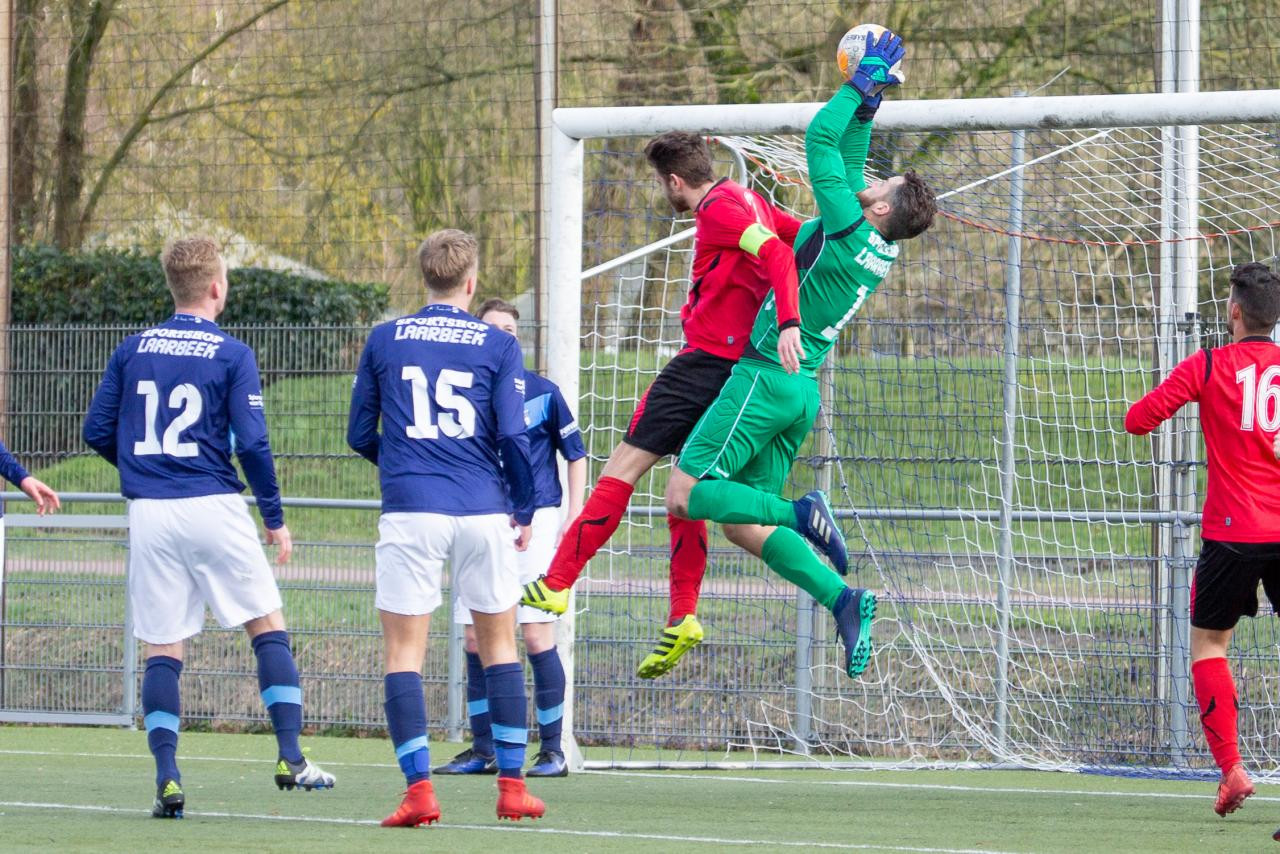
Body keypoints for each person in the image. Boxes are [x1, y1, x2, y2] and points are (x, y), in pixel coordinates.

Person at [662, 30, 937, 680]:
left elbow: (821, 143)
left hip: (762, 379)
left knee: (685, 495)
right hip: (798, 393)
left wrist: (854, 88)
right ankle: (843, 598)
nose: (871, 179)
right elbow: (846, 159)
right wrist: (868, 109)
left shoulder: (847, 227)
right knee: (740, 524)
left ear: (882, 206)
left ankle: (801, 511)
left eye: (883, 182)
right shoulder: (877, 245)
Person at [522, 129, 805, 680]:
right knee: (687, 487)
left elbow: (774, 253)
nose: (664, 192)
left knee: (621, 469)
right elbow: (799, 239)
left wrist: (791, 320)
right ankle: (683, 616)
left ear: (675, 181)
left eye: (661, 184)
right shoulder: (753, 202)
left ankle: (556, 583)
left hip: (702, 363)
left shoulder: (721, 212)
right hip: (739, 368)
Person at [82, 236, 335, 820]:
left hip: (150, 512)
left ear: (173, 287)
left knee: (162, 646)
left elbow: (97, 430)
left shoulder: (132, 348)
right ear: (217, 286)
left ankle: (168, 778)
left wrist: (145, 471)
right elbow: (252, 442)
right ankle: (292, 759)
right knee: (265, 625)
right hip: (213, 504)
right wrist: (274, 517)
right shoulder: (231, 353)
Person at [348, 230, 546, 826]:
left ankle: (419, 794)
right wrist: (525, 504)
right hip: (484, 508)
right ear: (471, 282)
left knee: (405, 653)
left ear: (424, 278)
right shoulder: (496, 343)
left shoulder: (385, 339)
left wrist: (409, 468)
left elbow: (360, 433)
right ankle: (512, 788)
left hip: (411, 509)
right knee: (501, 646)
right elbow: (513, 434)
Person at [1125, 261, 1280, 818]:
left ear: (1233, 312)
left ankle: (1233, 771)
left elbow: (1138, 420)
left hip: (1232, 534)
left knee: (1210, 646)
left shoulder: (1209, 364)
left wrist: (1187, 392)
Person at [435, 298, 586, 779]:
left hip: (537, 519)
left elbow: (576, 453)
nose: (504, 334)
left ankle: (553, 752)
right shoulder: (465, 395)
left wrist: (574, 512)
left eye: (510, 328)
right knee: (476, 638)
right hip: (479, 518)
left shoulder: (543, 392)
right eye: (494, 327)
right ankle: (485, 750)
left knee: (535, 632)